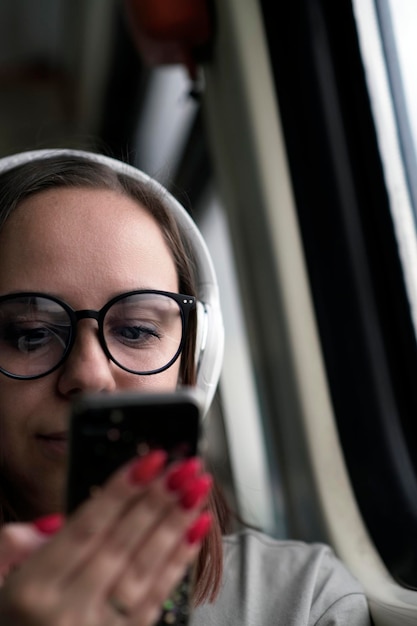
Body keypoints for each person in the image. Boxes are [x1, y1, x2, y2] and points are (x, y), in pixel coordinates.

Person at [0, 148, 372, 625]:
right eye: (30, 334)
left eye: (135, 330)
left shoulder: (304, 599)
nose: (90, 375)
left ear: (196, 361)